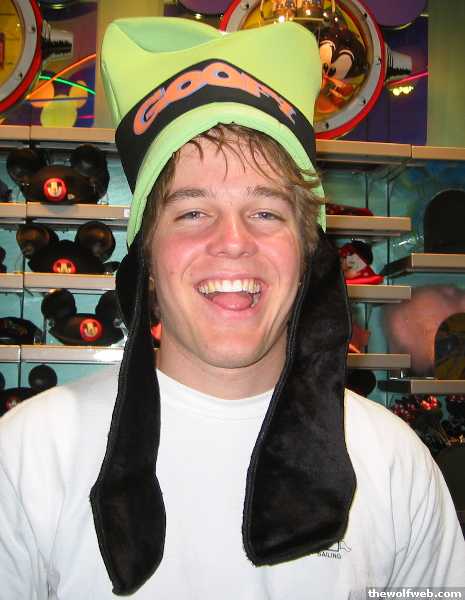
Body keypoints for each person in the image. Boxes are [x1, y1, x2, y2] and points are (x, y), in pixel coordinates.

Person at [1, 17, 464, 600]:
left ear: (308, 251)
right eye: (192, 212)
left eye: (266, 212)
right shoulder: (29, 455)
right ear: (148, 253)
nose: (233, 241)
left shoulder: (394, 463)